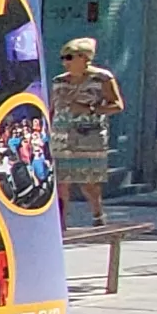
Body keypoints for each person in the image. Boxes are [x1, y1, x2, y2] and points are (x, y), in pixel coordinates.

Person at [46, 38, 123, 232]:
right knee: (61, 181)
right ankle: (60, 224)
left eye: (69, 57)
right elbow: (52, 107)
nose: (65, 62)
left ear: (84, 57)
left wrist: (88, 108)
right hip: (62, 134)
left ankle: (98, 214)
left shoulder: (103, 78)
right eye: (63, 58)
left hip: (90, 135)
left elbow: (117, 105)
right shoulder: (59, 81)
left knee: (88, 183)